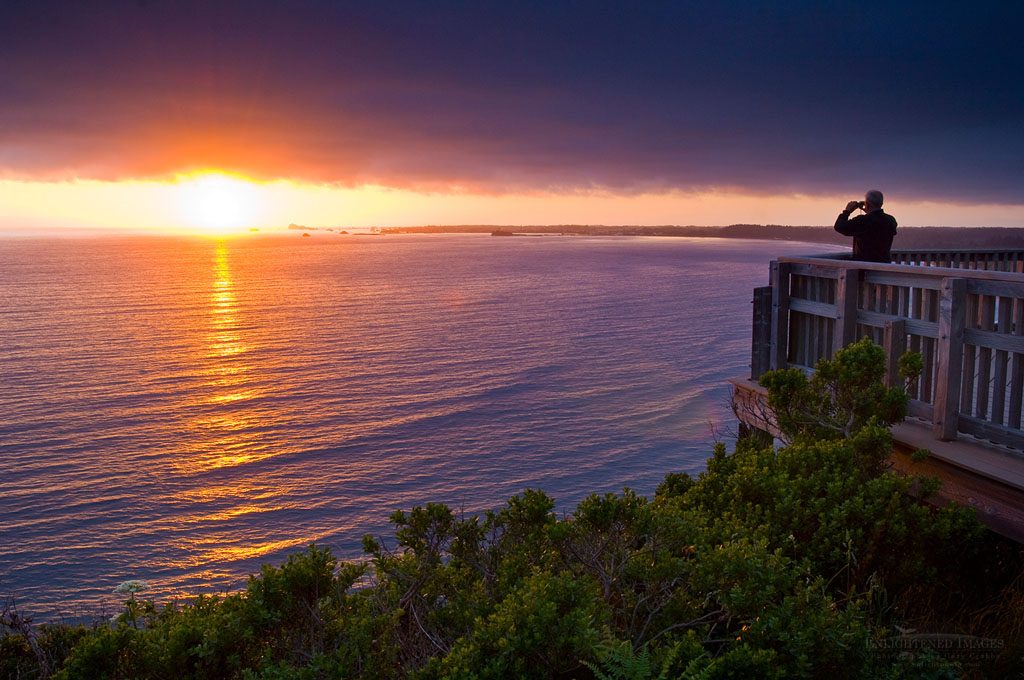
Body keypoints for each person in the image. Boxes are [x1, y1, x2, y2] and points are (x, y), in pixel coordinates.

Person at [834, 189, 897, 263]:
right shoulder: (890, 220)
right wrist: (868, 209)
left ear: (867, 204)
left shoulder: (864, 220)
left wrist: (847, 211)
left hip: (865, 267)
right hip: (884, 265)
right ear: (882, 203)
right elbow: (876, 219)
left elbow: (839, 226)